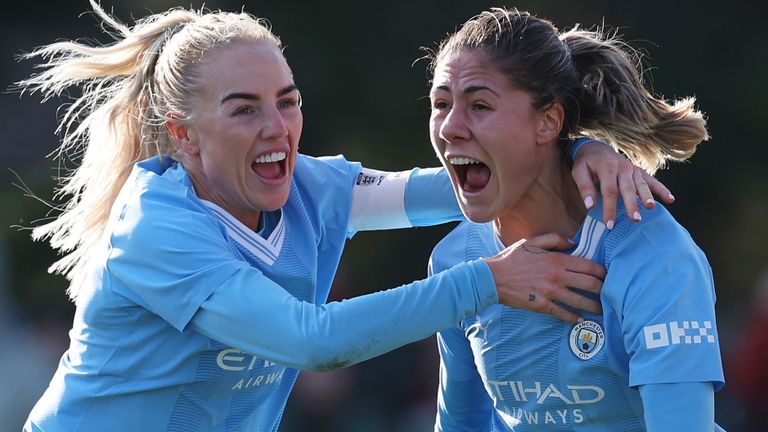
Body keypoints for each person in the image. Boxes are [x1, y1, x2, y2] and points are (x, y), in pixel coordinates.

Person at [18, 2, 674, 431]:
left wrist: (581, 149)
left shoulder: (314, 189)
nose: (277, 128)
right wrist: (486, 282)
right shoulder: (156, 230)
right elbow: (313, 341)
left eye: (287, 101)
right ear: (184, 136)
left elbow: (482, 178)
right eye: (244, 109)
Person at [426, 8, 724, 431]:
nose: (450, 128)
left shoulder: (656, 258)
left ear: (548, 121)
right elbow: (461, 425)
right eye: (440, 104)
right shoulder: (458, 260)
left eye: (479, 105)